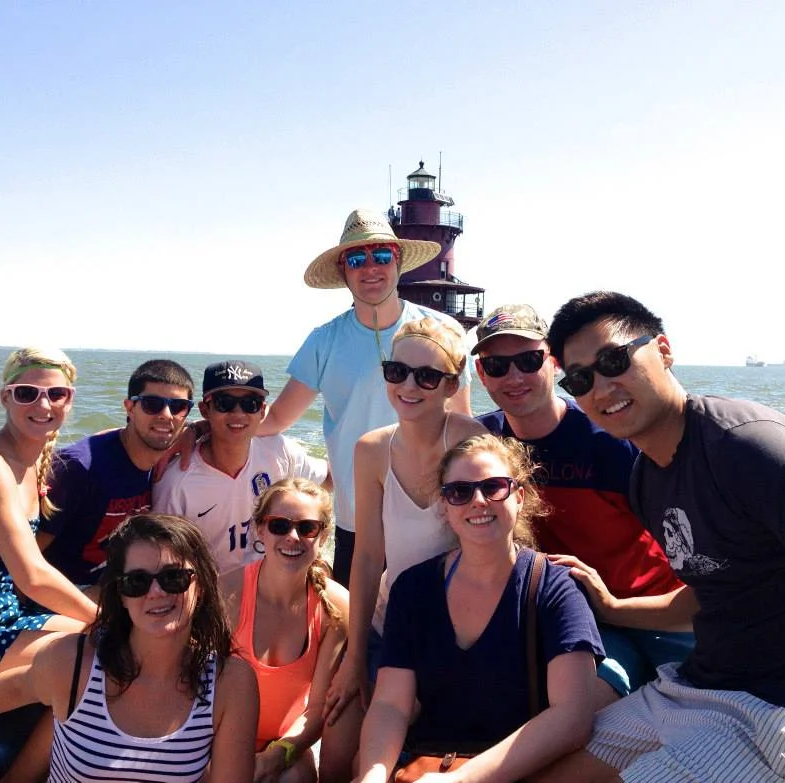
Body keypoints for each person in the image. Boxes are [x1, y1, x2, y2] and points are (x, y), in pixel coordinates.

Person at [543, 290, 785, 782]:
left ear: (664, 349)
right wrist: (612, 607)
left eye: (615, 359)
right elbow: (712, 590)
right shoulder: (647, 475)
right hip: (702, 686)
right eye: (581, 378)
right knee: (551, 770)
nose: (603, 386)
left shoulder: (752, 446)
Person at [472, 304, 694, 701]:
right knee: (573, 705)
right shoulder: (483, 446)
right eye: (497, 366)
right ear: (481, 375)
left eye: (528, 360)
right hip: (580, 617)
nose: (515, 376)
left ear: (553, 363)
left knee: (716, 711)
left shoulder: (612, 437)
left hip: (660, 613)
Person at [354, 434, 604, 783]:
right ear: (444, 506)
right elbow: (390, 704)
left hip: (519, 768)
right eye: (460, 491)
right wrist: (373, 775)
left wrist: (462, 780)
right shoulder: (413, 588)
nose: (478, 501)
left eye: (494, 487)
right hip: (430, 762)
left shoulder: (554, 588)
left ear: (519, 496)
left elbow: (572, 717)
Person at [254, 209, 472, 588]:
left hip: (434, 518)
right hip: (355, 519)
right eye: (356, 259)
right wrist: (204, 428)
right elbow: (275, 420)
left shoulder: (444, 330)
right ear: (344, 271)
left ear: (398, 261)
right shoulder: (324, 341)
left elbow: (463, 426)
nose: (370, 268)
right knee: (362, 635)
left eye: (382, 256)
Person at [0, 513, 259, 782]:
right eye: (136, 582)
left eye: (173, 578)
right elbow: (15, 689)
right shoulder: (73, 661)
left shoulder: (229, 682)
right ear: (121, 596)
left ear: (202, 585)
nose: (155, 592)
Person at [323, 317, 487, 723]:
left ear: (452, 385)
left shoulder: (471, 443)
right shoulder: (372, 449)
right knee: (341, 745)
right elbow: (366, 557)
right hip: (389, 620)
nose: (409, 387)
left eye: (428, 376)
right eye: (397, 372)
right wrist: (355, 656)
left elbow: (494, 548)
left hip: (458, 625)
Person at [0, 347, 97, 696]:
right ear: (6, 397)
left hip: (4, 614)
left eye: (56, 394)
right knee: (96, 657)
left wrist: (193, 431)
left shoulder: (33, 459)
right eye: (27, 394)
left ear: (70, 399)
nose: (43, 405)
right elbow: (31, 576)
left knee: (107, 638)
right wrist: (108, 622)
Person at [220, 478, 360, 783]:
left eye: (307, 528)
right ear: (259, 529)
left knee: (295, 778)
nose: (292, 537)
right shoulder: (225, 592)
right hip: (219, 741)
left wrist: (278, 754)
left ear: (323, 536)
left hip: (285, 743)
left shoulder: (337, 606)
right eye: (279, 526)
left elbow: (317, 708)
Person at [154, 360, 328, 576]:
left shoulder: (279, 452)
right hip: (214, 595)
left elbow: (328, 478)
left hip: (273, 584)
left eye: (250, 403)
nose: (238, 413)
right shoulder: (176, 483)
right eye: (224, 403)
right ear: (204, 410)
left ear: (262, 410)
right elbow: (166, 560)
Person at [37, 359, 195, 586]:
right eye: (152, 404)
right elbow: (28, 557)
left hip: (122, 584)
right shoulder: (80, 468)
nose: (166, 415)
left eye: (178, 406)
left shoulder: (171, 458)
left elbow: (244, 425)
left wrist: (198, 429)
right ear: (129, 407)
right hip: (67, 590)